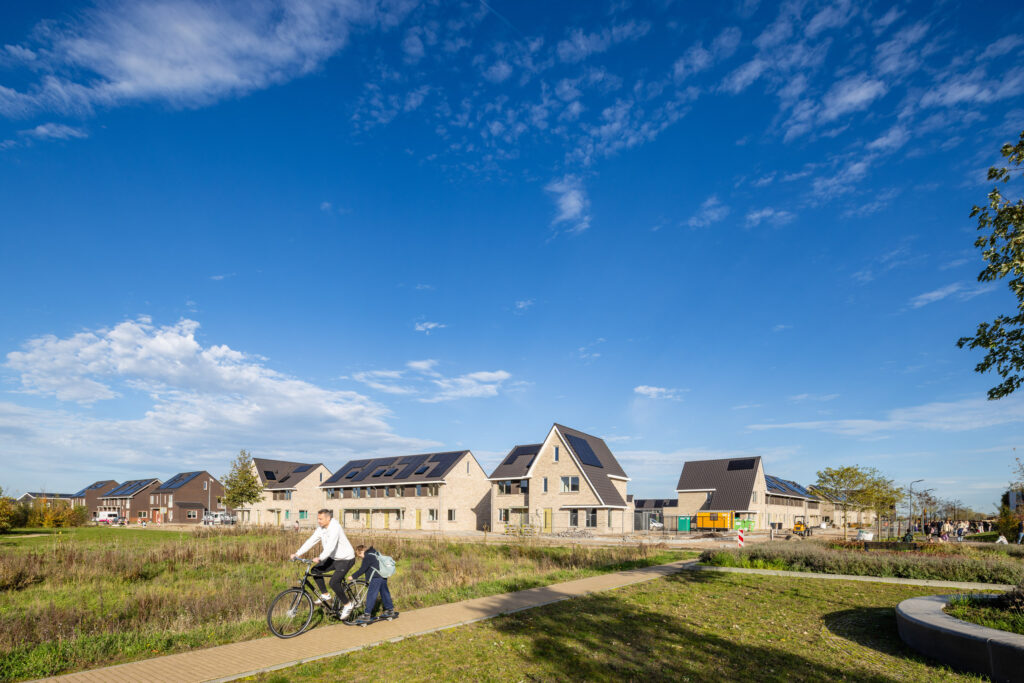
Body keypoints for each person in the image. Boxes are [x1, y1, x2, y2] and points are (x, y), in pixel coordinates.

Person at [290, 509, 356, 618]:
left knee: (334, 583)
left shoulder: (335, 527)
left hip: (346, 559)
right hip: (333, 558)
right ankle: (325, 594)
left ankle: (348, 604)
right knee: (315, 570)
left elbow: (330, 546)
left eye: (320, 519)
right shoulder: (321, 529)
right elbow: (311, 541)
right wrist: (297, 553)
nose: (318, 521)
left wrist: (320, 558)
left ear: (328, 518)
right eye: (318, 519)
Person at [351, 544, 395, 624]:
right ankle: (390, 610)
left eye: (359, 555)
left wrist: (353, 576)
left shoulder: (367, 556)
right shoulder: (374, 553)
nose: (360, 557)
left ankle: (367, 614)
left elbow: (362, 569)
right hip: (382, 576)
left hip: (376, 577)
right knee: (385, 593)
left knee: (371, 595)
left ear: (362, 551)